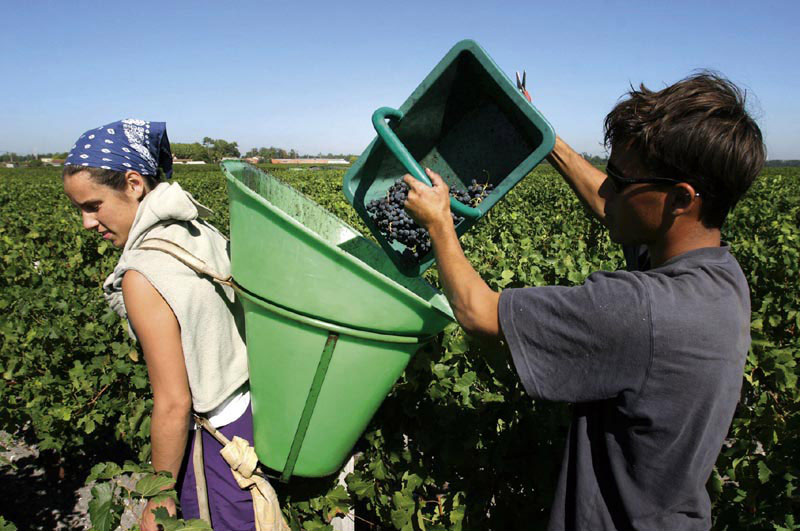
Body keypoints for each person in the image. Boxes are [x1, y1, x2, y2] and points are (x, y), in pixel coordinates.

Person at [402, 73, 765, 530]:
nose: (607, 190)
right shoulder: (719, 275)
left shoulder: (639, 311)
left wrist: (439, 222)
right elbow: (608, 203)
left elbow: (478, 312)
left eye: (620, 180)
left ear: (679, 199)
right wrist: (543, 135)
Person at [62, 119, 254, 531]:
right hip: (250, 422)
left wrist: (159, 498)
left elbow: (172, 403)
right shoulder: (196, 229)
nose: (87, 223)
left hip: (213, 445)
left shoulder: (143, 274)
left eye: (93, 205)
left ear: (133, 184)